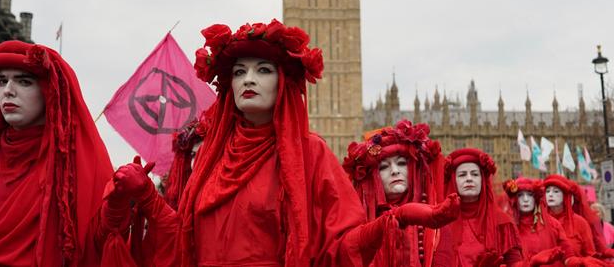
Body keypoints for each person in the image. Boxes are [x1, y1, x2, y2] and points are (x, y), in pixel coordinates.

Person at [108, 19, 459, 267]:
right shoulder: (213, 155)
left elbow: (337, 250)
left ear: (283, 82)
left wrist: (396, 217)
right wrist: (147, 198)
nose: (249, 79)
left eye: (263, 70)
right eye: (239, 71)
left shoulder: (310, 153)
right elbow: (182, 244)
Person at [0, 40, 114, 266]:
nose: (8, 90)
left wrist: (123, 205)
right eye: (2, 81)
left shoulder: (72, 165)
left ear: (48, 91)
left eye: (24, 81)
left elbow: (96, 244)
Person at [342, 120, 455, 267]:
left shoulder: (436, 230)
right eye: (384, 167)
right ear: (372, 177)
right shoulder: (357, 227)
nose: (395, 171)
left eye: (401, 163)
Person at [433, 148, 524, 267]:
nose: (469, 178)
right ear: (453, 180)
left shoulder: (503, 223)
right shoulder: (439, 222)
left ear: (482, 180)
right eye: (462, 175)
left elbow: (515, 263)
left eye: (475, 174)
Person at [502, 177, 581, 266]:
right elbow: (510, 262)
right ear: (514, 199)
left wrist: (576, 262)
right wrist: (531, 263)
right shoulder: (508, 228)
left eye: (530, 195)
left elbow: (567, 252)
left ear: (535, 197)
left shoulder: (553, 224)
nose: (525, 199)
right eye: (520, 195)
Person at [543, 175, 598, 258]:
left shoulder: (580, 223)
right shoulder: (539, 221)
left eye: (556, 191)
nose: (550, 194)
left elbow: (590, 255)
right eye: (547, 191)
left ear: (565, 195)